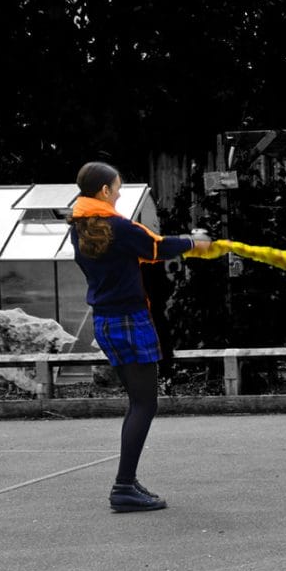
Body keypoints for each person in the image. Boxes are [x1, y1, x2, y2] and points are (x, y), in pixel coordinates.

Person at [69, 161, 212, 512]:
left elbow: (132, 253)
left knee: (138, 401)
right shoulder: (117, 226)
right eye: (117, 187)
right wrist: (198, 242)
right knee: (145, 403)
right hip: (129, 321)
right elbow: (157, 246)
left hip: (105, 321)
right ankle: (123, 487)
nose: (119, 192)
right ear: (104, 191)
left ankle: (128, 483)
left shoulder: (80, 226)